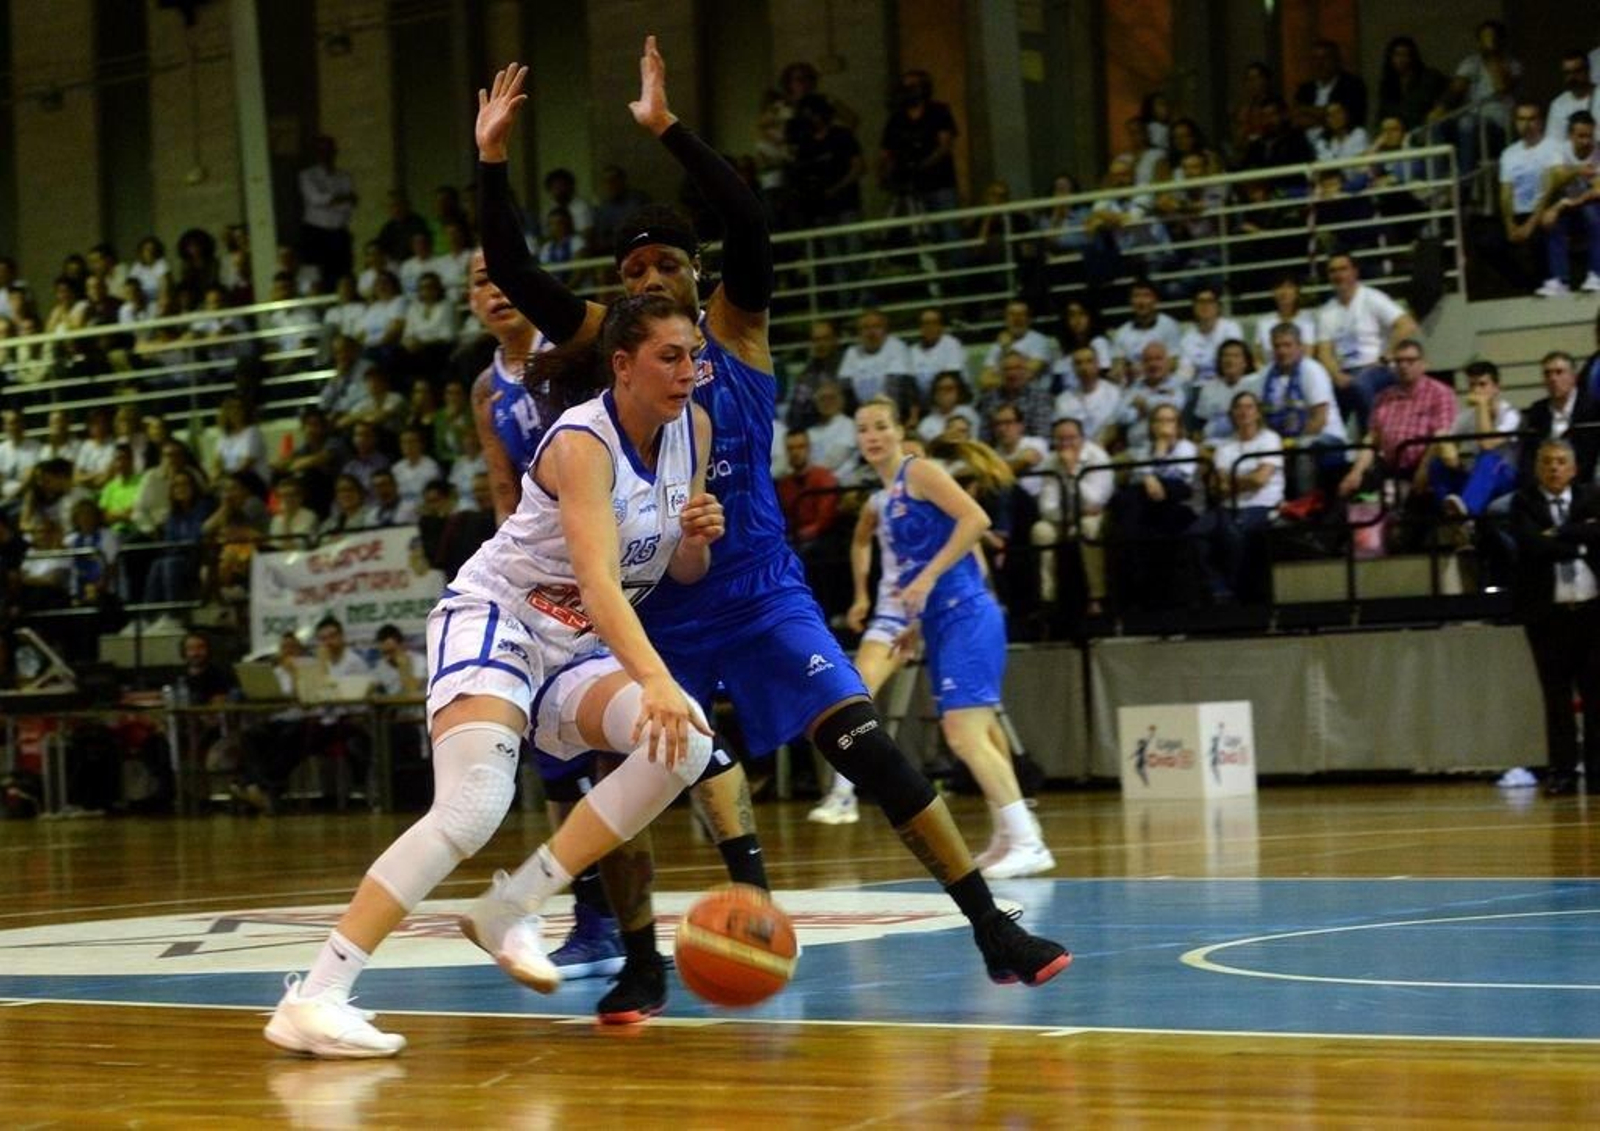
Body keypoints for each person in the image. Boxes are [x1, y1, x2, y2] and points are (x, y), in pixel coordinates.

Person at [478, 47, 1069, 1014]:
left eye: (666, 260)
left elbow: (749, 218)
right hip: (655, 603)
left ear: (695, 269)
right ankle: (641, 954)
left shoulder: (734, 330)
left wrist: (666, 127)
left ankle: (991, 924)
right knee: (629, 774)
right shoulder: (611, 345)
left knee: (868, 746)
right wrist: (493, 160)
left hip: (758, 591)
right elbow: (511, 267)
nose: (651, 274)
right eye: (633, 271)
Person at [267, 294, 720, 1057]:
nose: (687, 372)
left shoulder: (693, 430)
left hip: (574, 643)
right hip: (499, 615)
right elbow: (601, 582)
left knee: (686, 746)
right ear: (622, 364)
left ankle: (513, 902)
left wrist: (700, 537)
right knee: (473, 805)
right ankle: (315, 995)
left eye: (693, 356)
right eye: (669, 356)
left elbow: (678, 565)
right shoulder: (583, 442)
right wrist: (657, 676)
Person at [854, 397, 1054, 877]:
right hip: (941, 621)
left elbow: (977, 520)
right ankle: (1012, 836)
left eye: (882, 425)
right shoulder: (886, 496)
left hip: (968, 613)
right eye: (863, 430)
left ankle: (1028, 841)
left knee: (964, 734)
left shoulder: (917, 471)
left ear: (902, 429)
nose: (872, 436)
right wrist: (916, 624)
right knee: (978, 731)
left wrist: (926, 580)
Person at [1510, 439, 1600, 798]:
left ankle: (1596, 771)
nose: (1554, 468)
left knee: (1596, 696)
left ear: (1574, 469)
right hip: (1548, 617)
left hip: (1593, 614)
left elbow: (1597, 534)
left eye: (1562, 462)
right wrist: (1580, 539)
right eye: (1547, 462)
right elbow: (1532, 545)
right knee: (1556, 698)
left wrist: (1560, 534)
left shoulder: (1592, 496)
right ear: (1537, 469)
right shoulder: (1524, 502)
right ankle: (1562, 771)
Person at [1313, 252, 1418, 434]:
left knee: (1360, 384)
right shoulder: (1326, 311)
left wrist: (1386, 357)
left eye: (1343, 269)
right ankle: (1333, 447)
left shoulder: (1372, 298)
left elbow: (1407, 325)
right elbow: (1324, 352)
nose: (1338, 275)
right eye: (1333, 271)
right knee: (1322, 394)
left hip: (1378, 368)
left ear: (1354, 272)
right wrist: (1336, 375)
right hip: (1345, 371)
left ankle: (1373, 440)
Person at [298, 136, 356, 284]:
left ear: (335, 152)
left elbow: (349, 205)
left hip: (338, 232)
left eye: (329, 150)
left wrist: (330, 201)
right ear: (317, 153)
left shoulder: (344, 177)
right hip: (315, 232)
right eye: (322, 150)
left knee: (341, 272)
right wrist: (339, 199)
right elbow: (315, 198)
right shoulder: (307, 175)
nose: (325, 154)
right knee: (315, 276)